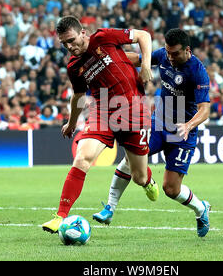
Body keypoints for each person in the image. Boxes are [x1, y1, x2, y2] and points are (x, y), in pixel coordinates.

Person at [41, 16, 158, 234]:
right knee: (82, 158)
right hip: (103, 114)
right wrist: (71, 123)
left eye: (72, 40)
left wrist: (145, 66)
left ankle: (148, 181)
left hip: (134, 111)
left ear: (83, 32)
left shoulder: (104, 37)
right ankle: (60, 216)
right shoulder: (74, 66)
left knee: (139, 177)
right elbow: (78, 96)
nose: (69, 46)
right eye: (64, 43)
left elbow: (144, 35)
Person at [93, 29, 212, 237]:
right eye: (168, 52)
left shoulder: (197, 71)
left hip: (183, 133)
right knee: (131, 158)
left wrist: (189, 125)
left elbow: (205, 109)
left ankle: (201, 209)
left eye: (175, 54)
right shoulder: (163, 55)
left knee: (171, 189)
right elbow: (138, 59)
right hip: (159, 122)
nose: (170, 57)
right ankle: (109, 208)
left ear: (187, 50)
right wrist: (111, 57)